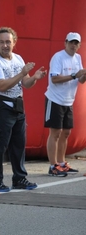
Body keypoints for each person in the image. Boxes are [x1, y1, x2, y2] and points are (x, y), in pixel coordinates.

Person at [0, 27, 47, 192]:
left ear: (14, 43)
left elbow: (25, 84)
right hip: (1, 106)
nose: (5, 45)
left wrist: (34, 78)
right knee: (1, 144)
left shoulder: (18, 58)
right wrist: (22, 74)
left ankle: (19, 178)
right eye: (2, 42)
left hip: (17, 105)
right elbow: (1, 86)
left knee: (19, 144)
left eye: (8, 42)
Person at [45, 32, 86, 176]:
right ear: (65, 43)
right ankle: (52, 166)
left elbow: (80, 80)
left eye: (76, 43)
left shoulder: (78, 58)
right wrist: (75, 75)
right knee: (55, 133)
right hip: (55, 99)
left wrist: (84, 75)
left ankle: (62, 163)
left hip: (68, 100)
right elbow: (55, 79)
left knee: (66, 132)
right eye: (71, 42)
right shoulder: (58, 57)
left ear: (79, 45)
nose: (73, 45)